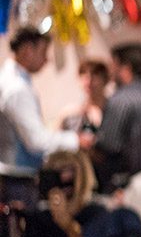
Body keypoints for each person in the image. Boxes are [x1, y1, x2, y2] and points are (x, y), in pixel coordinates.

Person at [0, 28, 87, 204]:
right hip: (17, 179)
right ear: (27, 51)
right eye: (43, 52)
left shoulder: (10, 80)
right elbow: (36, 141)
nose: (47, 60)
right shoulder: (17, 87)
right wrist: (76, 140)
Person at [95, 42, 141, 189]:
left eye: (113, 65)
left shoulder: (120, 100)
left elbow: (109, 145)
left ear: (126, 67)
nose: (110, 71)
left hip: (123, 186)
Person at [59, 59, 109, 135]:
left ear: (105, 80)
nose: (89, 82)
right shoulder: (70, 112)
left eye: (94, 77)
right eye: (85, 77)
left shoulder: (114, 110)